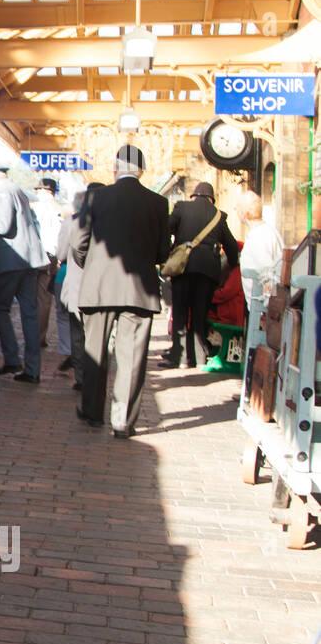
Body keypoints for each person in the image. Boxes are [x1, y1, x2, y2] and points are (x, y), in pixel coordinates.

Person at [71, 145, 169, 438]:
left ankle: (92, 412)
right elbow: (163, 252)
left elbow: (78, 243)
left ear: (114, 169)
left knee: (95, 353)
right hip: (140, 291)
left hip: (98, 288)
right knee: (132, 358)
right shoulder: (158, 203)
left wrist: (92, 267)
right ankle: (122, 421)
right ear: (142, 170)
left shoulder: (95, 197)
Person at [0, 165, 49, 384]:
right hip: (28, 262)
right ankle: (32, 369)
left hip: (10, 263)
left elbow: (1, 226)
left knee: (0, 309)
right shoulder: (17, 189)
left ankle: (11, 358)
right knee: (29, 314)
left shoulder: (3, 193)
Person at [161, 182, 239, 369]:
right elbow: (232, 247)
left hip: (184, 266)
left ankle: (178, 356)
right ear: (212, 199)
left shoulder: (182, 207)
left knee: (180, 310)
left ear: (194, 196)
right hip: (208, 270)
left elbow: (166, 229)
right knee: (199, 312)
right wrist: (231, 266)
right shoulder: (219, 216)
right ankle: (198, 356)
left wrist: (169, 252)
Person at [56, 184, 103, 391]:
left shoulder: (72, 222)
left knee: (77, 333)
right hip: (101, 287)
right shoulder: (109, 224)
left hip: (76, 283)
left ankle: (81, 376)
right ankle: (95, 376)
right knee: (97, 334)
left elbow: (61, 254)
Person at [31, 178, 63, 352]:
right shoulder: (60, 210)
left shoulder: (37, 208)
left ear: (46, 192)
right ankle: (40, 337)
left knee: (34, 298)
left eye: (39, 191)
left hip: (37, 256)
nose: (37, 194)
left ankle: (34, 337)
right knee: (44, 299)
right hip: (52, 256)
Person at [239, 190, 284, 304]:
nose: (236, 211)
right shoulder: (266, 232)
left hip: (262, 309)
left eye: (237, 208)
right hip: (260, 306)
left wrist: (268, 307)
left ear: (244, 212)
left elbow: (268, 273)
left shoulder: (259, 236)